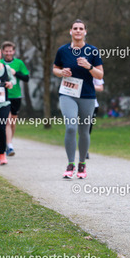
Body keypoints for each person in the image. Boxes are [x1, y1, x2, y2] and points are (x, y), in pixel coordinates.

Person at [52, 19, 104, 179]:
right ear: (70, 31)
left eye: (81, 28)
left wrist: (89, 66)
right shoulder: (63, 50)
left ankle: (82, 164)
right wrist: (61, 73)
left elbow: (100, 75)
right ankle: (70, 164)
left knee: (84, 131)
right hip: (67, 94)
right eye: (75, 28)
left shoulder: (92, 51)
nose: (78, 31)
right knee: (71, 127)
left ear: (85, 32)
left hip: (87, 95)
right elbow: (55, 69)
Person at [1, 41, 30, 156]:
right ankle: (9, 146)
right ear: (3, 52)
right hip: (3, 96)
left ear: (13, 51)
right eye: (6, 51)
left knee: (12, 123)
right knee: (7, 121)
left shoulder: (19, 63)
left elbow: (26, 78)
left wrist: (15, 73)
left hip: (16, 96)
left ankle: (9, 143)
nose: (8, 53)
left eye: (10, 51)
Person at [86, 77, 104, 159]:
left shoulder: (94, 72)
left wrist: (88, 85)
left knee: (87, 129)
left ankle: (85, 150)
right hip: (77, 103)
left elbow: (100, 87)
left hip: (93, 104)